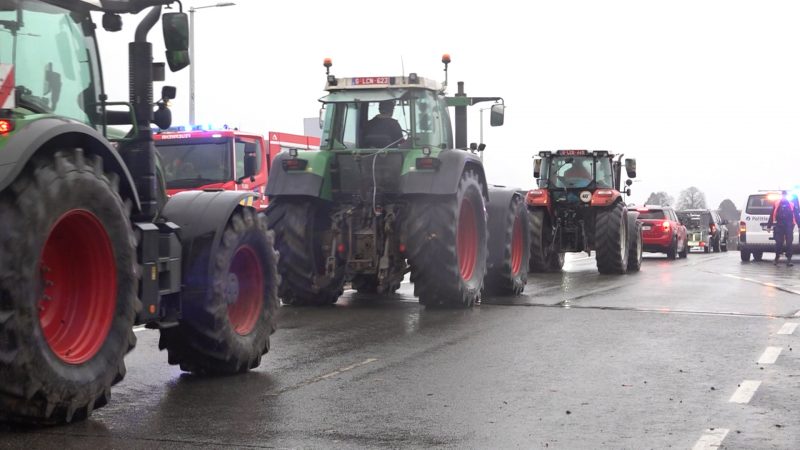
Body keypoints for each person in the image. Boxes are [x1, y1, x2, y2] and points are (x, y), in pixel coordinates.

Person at [767, 191, 800, 266]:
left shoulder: (791, 203)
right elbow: (772, 214)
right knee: (778, 242)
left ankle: (789, 260)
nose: (784, 197)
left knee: (789, 243)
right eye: (783, 195)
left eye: (785, 195)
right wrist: (769, 226)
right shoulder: (777, 203)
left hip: (789, 225)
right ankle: (776, 258)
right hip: (779, 225)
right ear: (781, 196)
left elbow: (796, 214)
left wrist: (799, 225)